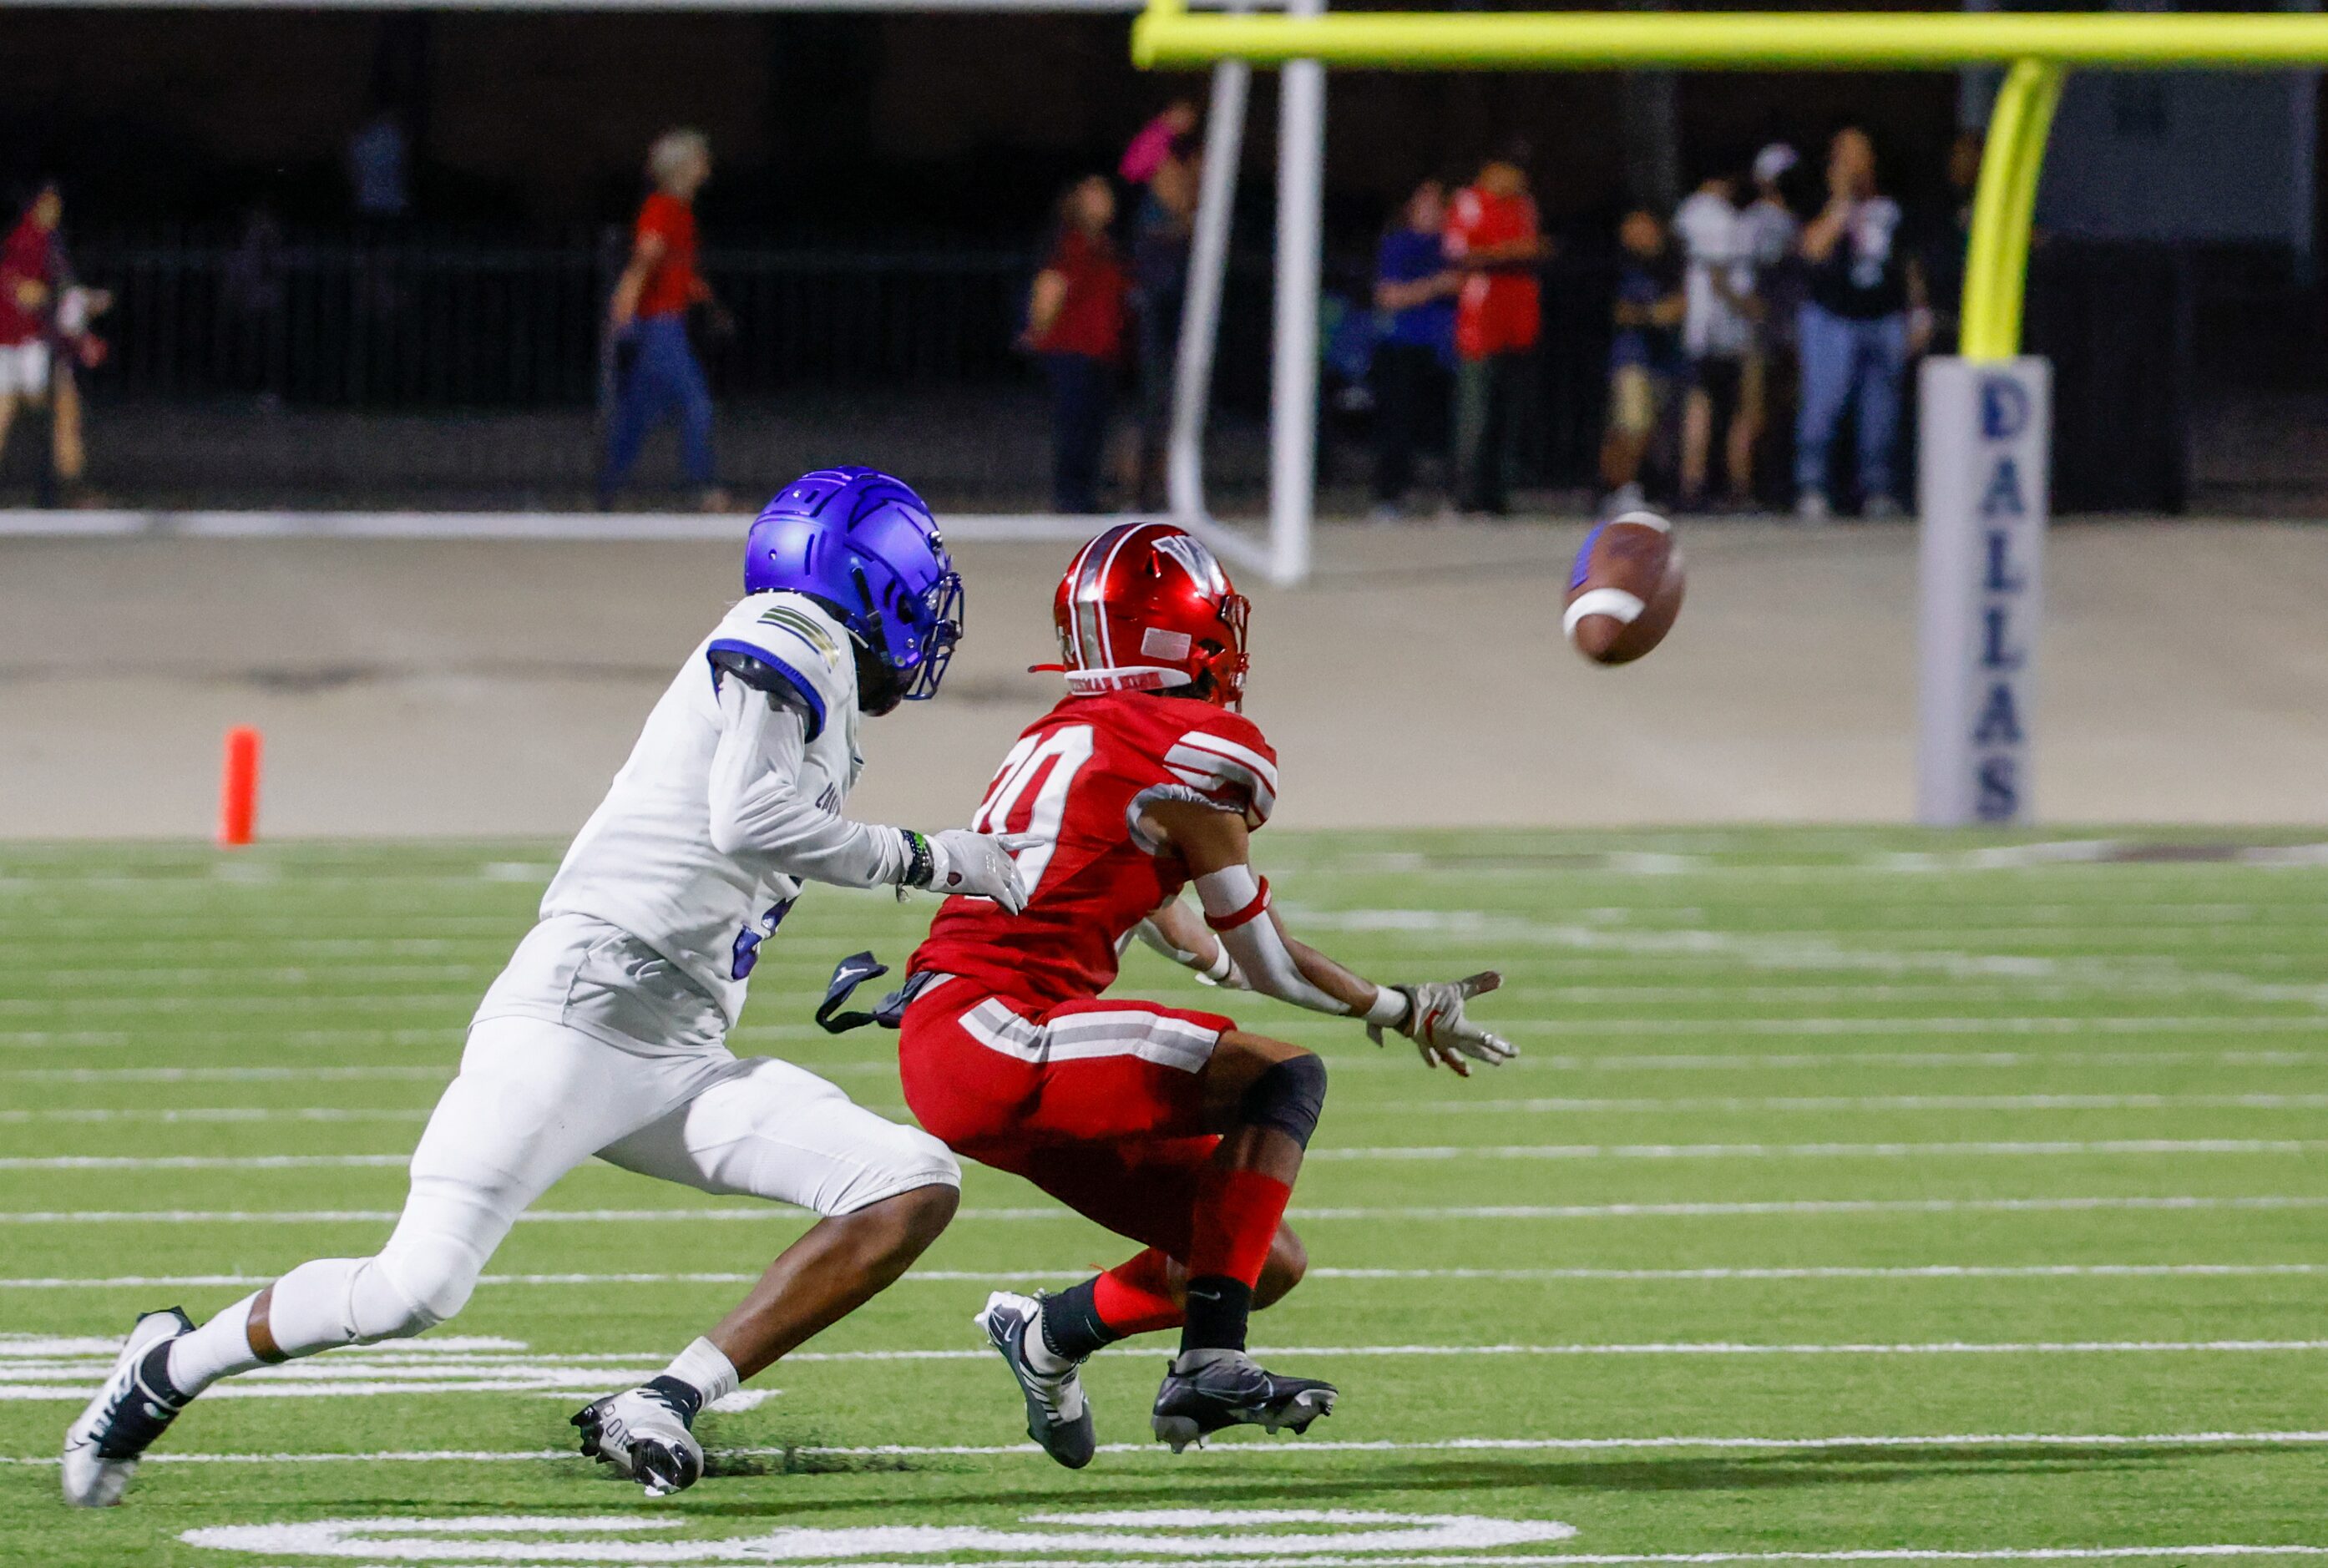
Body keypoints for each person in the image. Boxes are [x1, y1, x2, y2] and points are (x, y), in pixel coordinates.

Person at [62, 468, 1037, 1508]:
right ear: (863, 577)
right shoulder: (791, 624)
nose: (931, 616)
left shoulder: (826, 685)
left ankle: (664, 1398)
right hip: (579, 1011)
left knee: (906, 1182)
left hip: (680, 1050)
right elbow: (745, 821)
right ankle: (168, 1364)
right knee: (415, 1287)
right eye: (919, 584)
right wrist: (932, 858)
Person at [884, 521, 1514, 1464]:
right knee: (1281, 1078)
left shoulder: (1063, 735)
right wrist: (1394, 1006)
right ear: (1183, 632)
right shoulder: (1188, 746)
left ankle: (1049, 1334)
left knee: (1254, 1257)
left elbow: (1122, 899)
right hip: (997, 1030)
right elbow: (1267, 963)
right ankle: (1208, 1367)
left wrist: (1209, 959)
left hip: (962, 1041)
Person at [1794, 125, 1926, 523]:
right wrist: (1841, 202)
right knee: (1824, 402)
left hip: (1883, 316)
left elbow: (1909, 263)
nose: (1855, 162)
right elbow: (1812, 251)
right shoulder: (1818, 199)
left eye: (1861, 153)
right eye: (1846, 154)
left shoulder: (1892, 205)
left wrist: (1917, 312)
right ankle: (1812, 485)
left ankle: (1877, 487)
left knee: (1881, 408)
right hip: (1833, 316)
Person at [603, 129, 726, 512]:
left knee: (640, 411)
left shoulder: (677, 210)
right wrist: (625, 301)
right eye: (700, 162)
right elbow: (646, 258)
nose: (706, 169)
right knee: (696, 404)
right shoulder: (664, 208)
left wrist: (703, 297)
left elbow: (672, 265)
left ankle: (606, 488)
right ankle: (703, 487)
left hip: (664, 320)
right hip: (660, 323)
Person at [1444, 152, 1549, 516]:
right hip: (1480, 322)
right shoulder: (1469, 202)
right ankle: (1465, 494)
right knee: (1476, 412)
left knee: (1509, 411)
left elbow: (1534, 248)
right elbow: (1459, 254)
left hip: (1518, 320)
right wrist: (1510, 253)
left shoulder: (1525, 206)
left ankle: (1497, 493)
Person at [1025, 175, 1131, 515]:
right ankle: (1070, 496)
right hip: (1073, 349)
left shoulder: (1107, 246)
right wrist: (1039, 332)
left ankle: (1085, 493)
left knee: (1095, 425)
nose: (1106, 200)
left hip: (1102, 350)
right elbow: (1049, 290)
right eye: (1096, 194)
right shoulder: (1068, 245)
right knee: (1075, 425)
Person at [1369, 178, 1459, 516]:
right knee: (1397, 426)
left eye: (1440, 205)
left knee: (1442, 430)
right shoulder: (1399, 244)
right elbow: (1388, 296)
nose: (1434, 212)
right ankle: (1388, 498)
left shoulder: (1452, 247)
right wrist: (1435, 286)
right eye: (1426, 204)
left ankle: (1445, 498)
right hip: (1402, 346)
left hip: (1444, 350)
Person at [1671, 169, 1759, 511]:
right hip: (1719, 328)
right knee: (1727, 408)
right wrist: (1750, 308)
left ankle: (1695, 483)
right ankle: (1729, 486)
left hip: (1698, 327)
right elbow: (1718, 274)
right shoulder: (1717, 217)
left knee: (1702, 405)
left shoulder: (1687, 213)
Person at [1131, 135, 1201, 512]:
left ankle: (1175, 487)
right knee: (1156, 409)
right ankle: (1146, 492)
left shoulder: (1194, 219)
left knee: (1182, 408)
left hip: (1184, 330)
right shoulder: (1154, 221)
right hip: (1159, 326)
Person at [1600, 209, 1685, 515]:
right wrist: (1653, 315)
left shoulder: (1672, 262)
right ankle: (1619, 489)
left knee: (1655, 428)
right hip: (1630, 356)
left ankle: (1645, 486)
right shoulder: (1620, 265)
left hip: (1662, 358)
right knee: (1631, 424)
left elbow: (1681, 304)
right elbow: (1620, 311)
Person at [1737, 144, 1805, 505]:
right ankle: (1744, 490)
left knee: (1784, 409)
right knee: (1754, 410)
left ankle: (1773, 485)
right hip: (1762, 328)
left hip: (1788, 326)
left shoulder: (1790, 219)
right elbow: (1750, 276)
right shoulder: (1758, 220)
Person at [1121, 100, 1201, 188]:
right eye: (1183, 118)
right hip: (1137, 183)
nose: (1185, 124)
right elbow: (1139, 165)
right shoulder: (1158, 133)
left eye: (1188, 122)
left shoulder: (1165, 135)